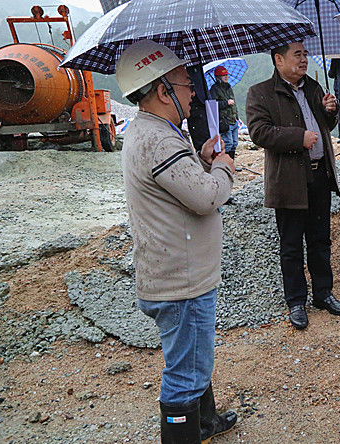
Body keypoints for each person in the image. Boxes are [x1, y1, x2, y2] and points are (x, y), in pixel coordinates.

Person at [116, 40, 237, 444]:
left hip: (171, 272)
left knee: (193, 358)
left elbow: (174, 183)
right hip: (182, 282)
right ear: (163, 91)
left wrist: (199, 159)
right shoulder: (161, 140)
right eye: (187, 85)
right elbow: (205, 197)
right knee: (186, 374)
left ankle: (205, 423)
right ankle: (185, 431)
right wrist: (223, 168)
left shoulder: (150, 131)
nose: (193, 93)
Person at [245, 41, 340, 330]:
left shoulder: (314, 88)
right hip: (289, 181)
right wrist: (298, 138)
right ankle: (295, 301)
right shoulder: (261, 93)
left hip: (320, 176)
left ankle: (323, 293)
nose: (304, 59)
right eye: (297, 55)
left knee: (320, 240)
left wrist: (330, 111)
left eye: (305, 54)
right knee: (291, 244)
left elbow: (326, 126)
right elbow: (259, 132)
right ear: (278, 59)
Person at [209, 65, 240, 159]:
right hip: (225, 121)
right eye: (223, 75)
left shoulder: (229, 88)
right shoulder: (214, 89)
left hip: (233, 120)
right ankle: (225, 162)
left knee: (235, 143)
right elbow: (213, 105)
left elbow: (233, 103)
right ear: (218, 77)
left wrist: (236, 115)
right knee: (228, 143)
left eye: (226, 75)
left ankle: (231, 162)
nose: (226, 77)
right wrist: (226, 103)